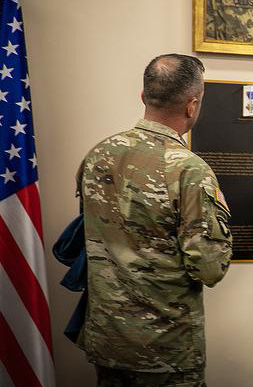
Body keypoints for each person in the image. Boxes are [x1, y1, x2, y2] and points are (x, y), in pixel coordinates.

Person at [77, 54, 232, 386]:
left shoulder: (98, 155)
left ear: (144, 96)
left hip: (109, 340)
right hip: (166, 351)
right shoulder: (189, 169)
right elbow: (209, 268)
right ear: (192, 106)